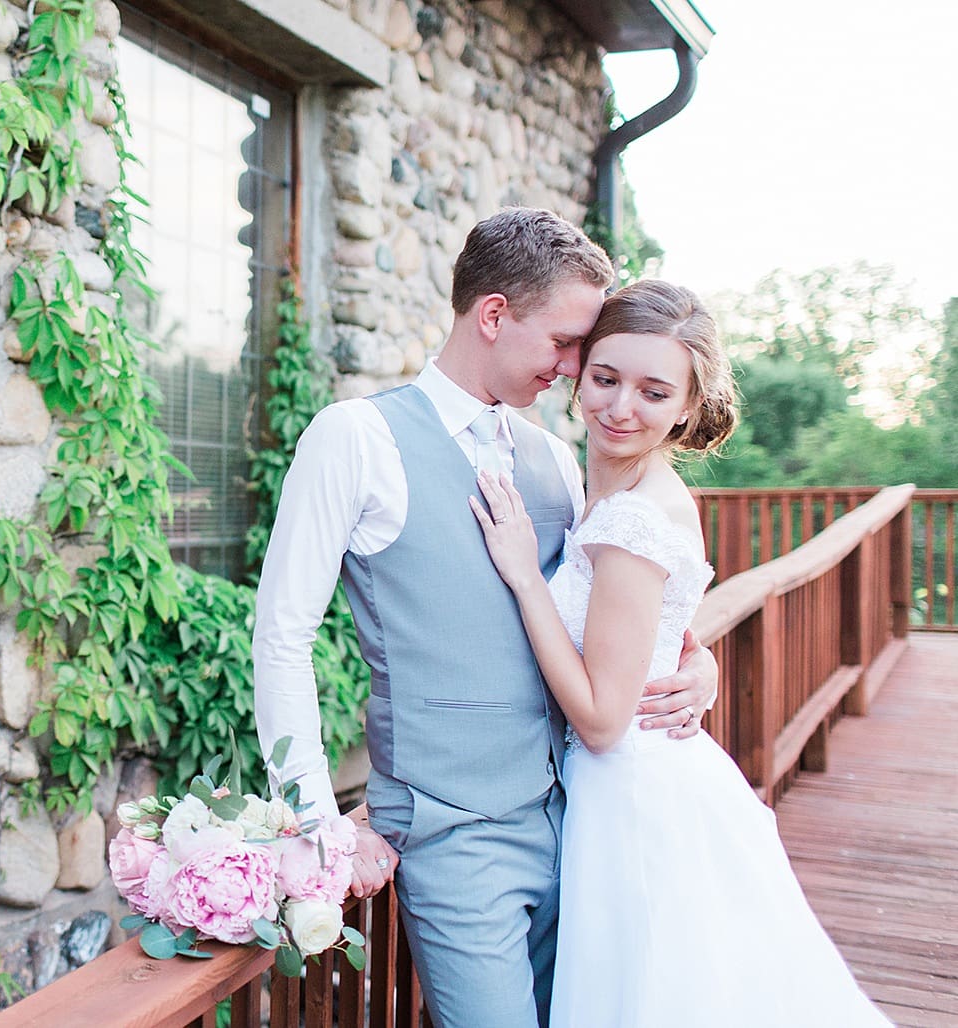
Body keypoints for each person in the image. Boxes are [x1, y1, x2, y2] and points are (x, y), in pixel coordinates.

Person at [252, 207, 718, 1027]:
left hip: (579, 816)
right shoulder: (356, 437)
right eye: (567, 344)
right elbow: (282, 637)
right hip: (454, 833)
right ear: (494, 315)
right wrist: (320, 823)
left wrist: (694, 659)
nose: (577, 370)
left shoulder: (551, 455)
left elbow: (606, 608)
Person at [470, 279, 890, 1026]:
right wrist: (699, 665)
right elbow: (660, 635)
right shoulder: (597, 486)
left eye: (653, 392)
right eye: (604, 378)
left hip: (633, 794)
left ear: (687, 407)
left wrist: (523, 576)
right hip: (621, 783)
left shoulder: (633, 514)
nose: (620, 407)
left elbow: (602, 719)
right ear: (578, 371)